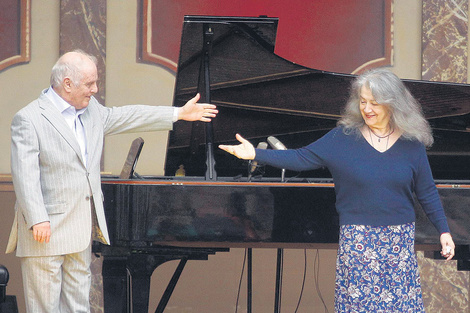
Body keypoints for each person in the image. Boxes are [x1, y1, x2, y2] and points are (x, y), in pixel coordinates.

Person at [219, 68, 455, 312]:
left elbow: (427, 192)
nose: (367, 109)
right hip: (358, 240)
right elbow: (301, 158)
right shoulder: (343, 138)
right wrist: (256, 153)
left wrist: (444, 231)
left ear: (392, 104)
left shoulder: (411, 144)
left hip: (398, 242)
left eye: (375, 103)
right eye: (363, 101)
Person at [5, 49, 218, 313]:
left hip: (81, 227)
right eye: (90, 83)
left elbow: (126, 116)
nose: (95, 89)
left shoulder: (91, 109)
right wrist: (38, 217)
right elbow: (24, 173)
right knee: (45, 309)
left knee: (78, 307)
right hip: (45, 230)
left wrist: (177, 114)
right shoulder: (30, 118)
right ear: (67, 84)